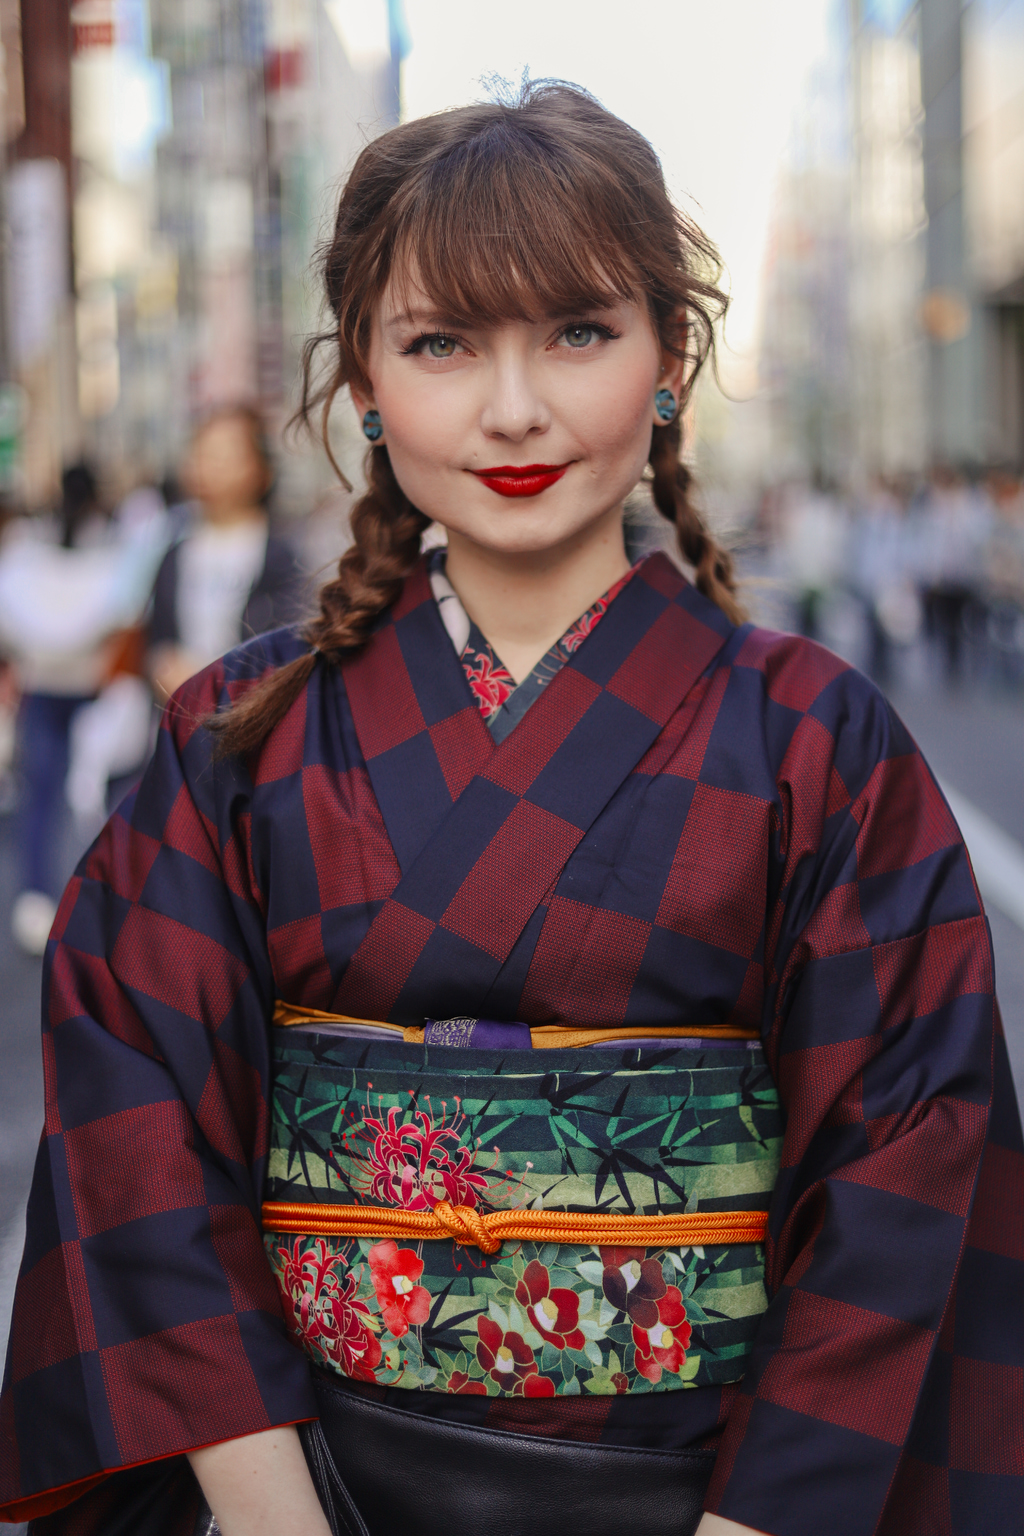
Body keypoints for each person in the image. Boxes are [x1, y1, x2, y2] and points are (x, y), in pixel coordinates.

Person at [1, 83, 1021, 1536]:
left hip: (723, 1496)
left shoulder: (816, 744)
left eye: (579, 333)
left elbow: (913, 1154)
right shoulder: (238, 740)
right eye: (441, 343)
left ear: (671, 357)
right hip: (304, 1482)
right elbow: (135, 1123)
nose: (514, 407)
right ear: (361, 379)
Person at [147, 405, 305, 704]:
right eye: (200, 454)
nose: (206, 466)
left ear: (261, 469)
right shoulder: (174, 555)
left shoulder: (282, 559)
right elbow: (157, 640)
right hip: (185, 721)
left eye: (222, 455)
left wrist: (219, 688)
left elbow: (291, 651)